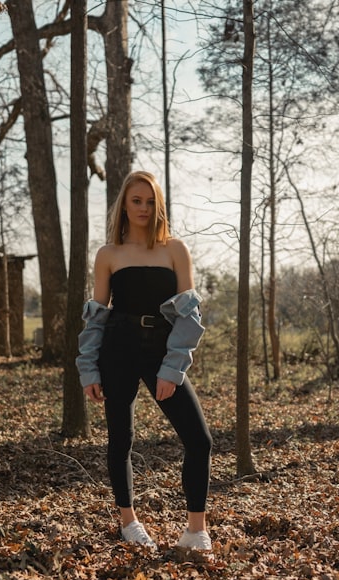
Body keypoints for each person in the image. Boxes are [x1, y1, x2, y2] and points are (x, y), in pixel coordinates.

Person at [76, 170, 213, 552]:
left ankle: (195, 532)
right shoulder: (108, 255)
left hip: (160, 349)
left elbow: (189, 317)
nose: (143, 208)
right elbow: (96, 317)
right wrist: (89, 369)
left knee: (199, 441)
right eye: (136, 201)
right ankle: (128, 522)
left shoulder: (175, 249)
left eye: (151, 202)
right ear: (124, 204)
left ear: (159, 206)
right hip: (117, 349)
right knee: (121, 440)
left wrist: (172, 368)